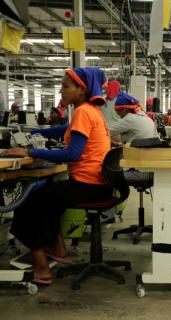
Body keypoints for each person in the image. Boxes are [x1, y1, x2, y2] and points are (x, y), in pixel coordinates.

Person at [0, 67, 113, 285]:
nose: (61, 90)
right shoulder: (90, 110)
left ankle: (42, 268)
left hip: (87, 185)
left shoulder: (83, 112)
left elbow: (72, 154)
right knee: (46, 197)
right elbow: (65, 131)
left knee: (28, 202)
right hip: (98, 183)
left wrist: (29, 151)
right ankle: (58, 249)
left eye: (65, 86)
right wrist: (35, 132)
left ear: (81, 89)